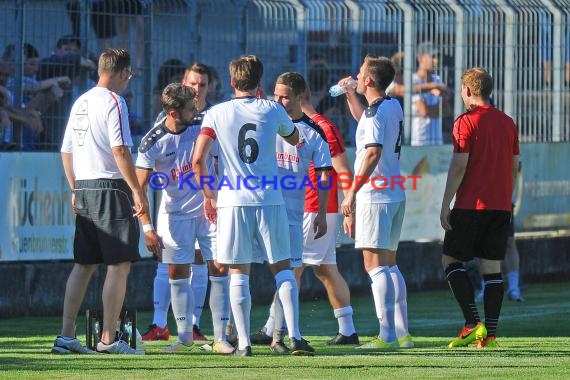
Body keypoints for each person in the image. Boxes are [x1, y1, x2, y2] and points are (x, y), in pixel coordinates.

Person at [192, 55, 314, 357]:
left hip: (232, 202)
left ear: (232, 82)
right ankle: (295, 335)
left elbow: (198, 159)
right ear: (260, 83)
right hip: (269, 199)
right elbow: (295, 136)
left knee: (238, 272)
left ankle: (244, 343)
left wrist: (209, 195)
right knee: (283, 269)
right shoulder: (272, 109)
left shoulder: (216, 113)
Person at [52, 48, 147, 355]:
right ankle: (108, 338)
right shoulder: (114, 101)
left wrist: (74, 188)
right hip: (111, 187)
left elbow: (66, 151)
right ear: (121, 73)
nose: (128, 82)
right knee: (119, 265)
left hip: (85, 187)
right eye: (128, 76)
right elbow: (120, 149)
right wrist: (136, 189)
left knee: (84, 264)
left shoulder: (81, 99)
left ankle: (66, 336)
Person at [142, 63, 230, 346]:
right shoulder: (153, 141)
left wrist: (216, 197)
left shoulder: (205, 126)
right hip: (175, 214)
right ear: (172, 113)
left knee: (219, 267)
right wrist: (147, 227)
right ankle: (183, 337)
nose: (196, 112)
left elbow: (220, 161)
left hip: (209, 211)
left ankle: (219, 336)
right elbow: (137, 186)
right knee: (176, 273)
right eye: (191, 109)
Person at [440, 67, 519, 349]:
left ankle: (472, 324)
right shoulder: (508, 122)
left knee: (451, 261)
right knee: (492, 268)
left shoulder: (465, 121)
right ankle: (492, 336)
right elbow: (514, 165)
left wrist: (446, 202)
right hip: (500, 206)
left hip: (472, 203)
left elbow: (460, 164)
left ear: (469, 91)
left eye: (462, 89)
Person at [338, 54, 412, 350]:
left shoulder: (375, 114)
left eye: (359, 74)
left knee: (373, 265)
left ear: (368, 81)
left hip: (375, 195)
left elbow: (372, 152)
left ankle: (386, 336)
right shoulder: (391, 104)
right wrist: (348, 93)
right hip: (394, 192)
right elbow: (364, 120)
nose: (356, 76)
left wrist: (352, 192)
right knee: (390, 265)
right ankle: (402, 333)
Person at [258, 72, 331, 354]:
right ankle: (228, 335)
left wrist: (322, 213)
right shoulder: (265, 122)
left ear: (300, 97)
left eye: (284, 96)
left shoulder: (313, 132)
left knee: (287, 273)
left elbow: (325, 175)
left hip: (292, 214)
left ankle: (281, 336)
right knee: (236, 269)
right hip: (259, 208)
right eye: (275, 94)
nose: (278, 100)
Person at [474, 161, 524, 303]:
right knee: (479, 244)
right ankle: (486, 287)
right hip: (479, 198)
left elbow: (517, 163)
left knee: (508, 242)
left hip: (503, 198)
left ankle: (514, 288)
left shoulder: (507, 139)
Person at [411, 41, 448, 146]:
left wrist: (431, 109)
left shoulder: (437, 80)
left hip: (437, 141)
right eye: (432, 56)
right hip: (420, 142)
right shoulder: (413, 80)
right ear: (421, 58)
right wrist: (438, 109)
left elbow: (447, 110)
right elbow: (424, 111)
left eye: (437, 57)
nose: (436, 61)